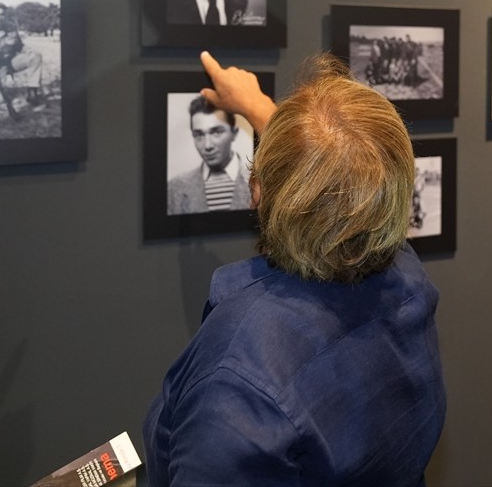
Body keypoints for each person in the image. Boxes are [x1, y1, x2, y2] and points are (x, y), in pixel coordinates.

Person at [143, 52, 446, 487]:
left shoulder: (239, 381)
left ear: (256, 191)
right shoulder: (408, 277)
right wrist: (264, 111)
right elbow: (340, 179)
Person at [166, 96, 250, 215]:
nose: (207, 145)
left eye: (216, 132)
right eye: (199, 135)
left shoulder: (256, 180)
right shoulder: (176, 187)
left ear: (234, 134)